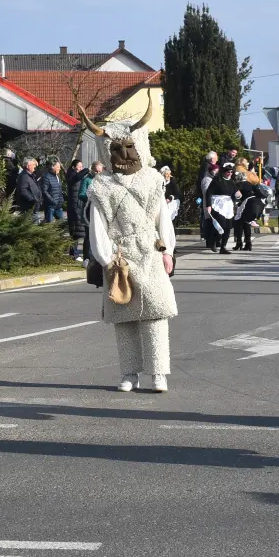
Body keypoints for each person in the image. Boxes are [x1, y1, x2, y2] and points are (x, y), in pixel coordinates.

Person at [82, 102, 176, 393]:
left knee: (156, 314)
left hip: (150, 250)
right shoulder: (101, 186)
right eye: (117, 148)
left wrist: (168, 251)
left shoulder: (153, 180)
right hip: (120, 255)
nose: (124, 155)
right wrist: (106, 258)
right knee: (124, 317)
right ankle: (129, 373)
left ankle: (158, 373)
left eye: (129, 147)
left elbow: (163, 218)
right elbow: (97, 225)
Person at [206, 163, 239, 254]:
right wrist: (208, 205)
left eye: (231, 172)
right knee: (221, 224)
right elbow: (208, 193)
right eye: (228, 172)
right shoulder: (216, 180)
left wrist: (238, 195)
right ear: (223, 171)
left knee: (228, 226)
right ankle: (213, 240)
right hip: (217, 203)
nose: (230, 173)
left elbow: (235, 193)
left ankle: (223, 247)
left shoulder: (232, 182)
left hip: (228, 205)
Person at [234, 168, 267, 251]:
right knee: (247, 223)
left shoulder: (239, 185)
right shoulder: (250, 184)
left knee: (239, 223)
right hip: (255, 204)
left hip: (246, 204)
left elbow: (237, 196)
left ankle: (239, 243)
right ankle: (248, 243)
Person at [66, 159, 89, 260]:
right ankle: (74, 253)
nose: (81, 168)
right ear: (74, 167)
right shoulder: (71, 175)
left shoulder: (76, 174)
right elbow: (77, 177)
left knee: (78, 230)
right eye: (79, 166)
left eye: (82, 166)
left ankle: (73, 252)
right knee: (75, 229)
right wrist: (87, 169)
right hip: (73, 205)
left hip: (78, 204)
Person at [14, 157, 43, 221]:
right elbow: (23, 190)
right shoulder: (24, 176)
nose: (35, 167)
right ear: (28, 166)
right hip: (28, 207)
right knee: (33, 225)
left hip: (33, 207)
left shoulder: (30, 175)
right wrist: (33, 200)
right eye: (34, 165)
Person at [39, 157, 66, 223]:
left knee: (61, 223)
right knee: (49, 225)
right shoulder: (46, 177)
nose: (59, 168)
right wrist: (52, 200)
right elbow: (44, 191)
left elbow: (59, 189)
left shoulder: (57, 176)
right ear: (52, 167)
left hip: (58, 205)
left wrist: (61, 200)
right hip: (50, 206)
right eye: (58, 167)